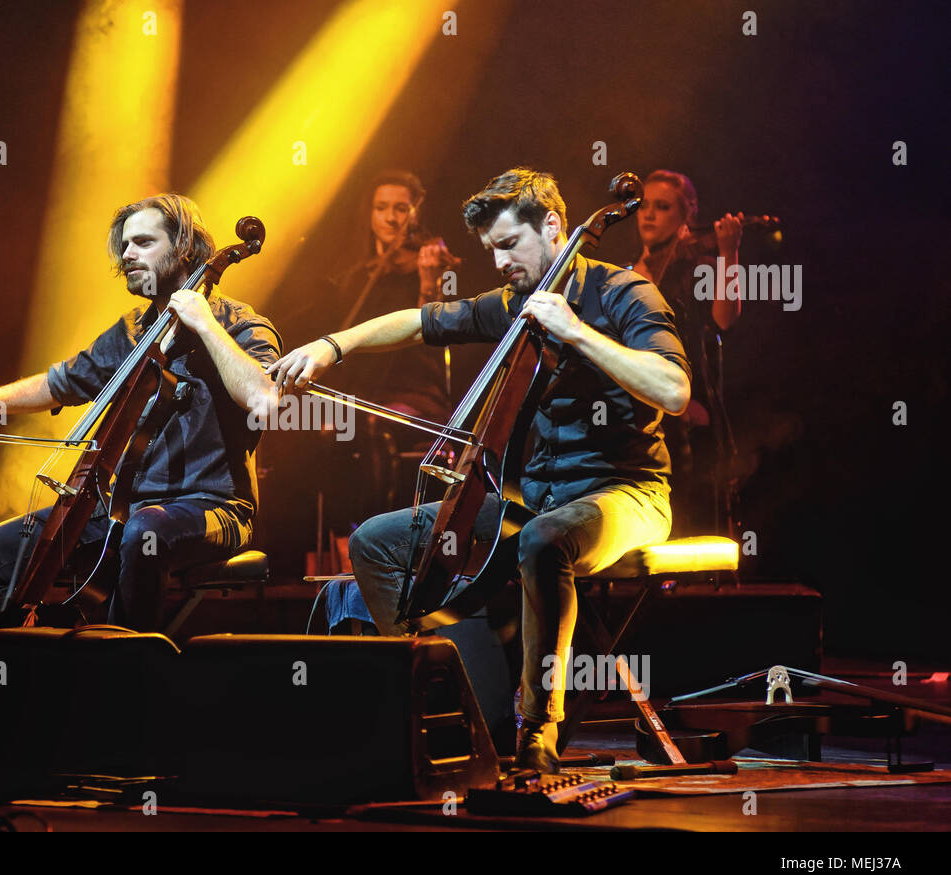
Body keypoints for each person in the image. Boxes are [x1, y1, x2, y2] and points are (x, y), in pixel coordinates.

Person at [270, 167, 691, 772]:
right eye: (490, 249)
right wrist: (333, 345)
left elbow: (673, 390)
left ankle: (535, 729)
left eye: (509, 245)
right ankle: (452, 701)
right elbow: (421, 322)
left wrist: (576, 331)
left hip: (627, 495)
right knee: (374, 542)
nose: (498, 262)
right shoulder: (514, 304)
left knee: (545, 541)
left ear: (553, 227)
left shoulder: (624, 292)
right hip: (537, 497)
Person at [0, 193, 280, 631]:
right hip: (120, 507)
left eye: (143, 243)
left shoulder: (239, 324)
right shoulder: (133, 329)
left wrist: (204, 324)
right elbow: (60, 383)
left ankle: (126, 664)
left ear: (185, 248)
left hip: (214, 508)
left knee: (145, 532)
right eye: (125, 244)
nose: (126, 254)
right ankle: (44, 653)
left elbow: (263, 399)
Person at [322, 171, 460, 519]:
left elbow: (435, 332)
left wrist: (429, 283)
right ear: (369, 215)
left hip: (415, 393)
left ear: (416, 214)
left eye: (402, 208)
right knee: (308, 429)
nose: (391, 217)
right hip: (362, 393)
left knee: (367, 428)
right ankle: (340, 544)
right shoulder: (357, 277)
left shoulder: (432, 266)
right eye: (381, 208)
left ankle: (375, 531)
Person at [632, 170, 742, 535]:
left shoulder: (699, 269)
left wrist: (729, 252)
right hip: (635, 419)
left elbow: (725, 318)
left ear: (686, 218)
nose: (648, 214)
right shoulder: (624, 275)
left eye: (661, 207)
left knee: (689, 518)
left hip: (685, 417)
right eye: (644, 205)